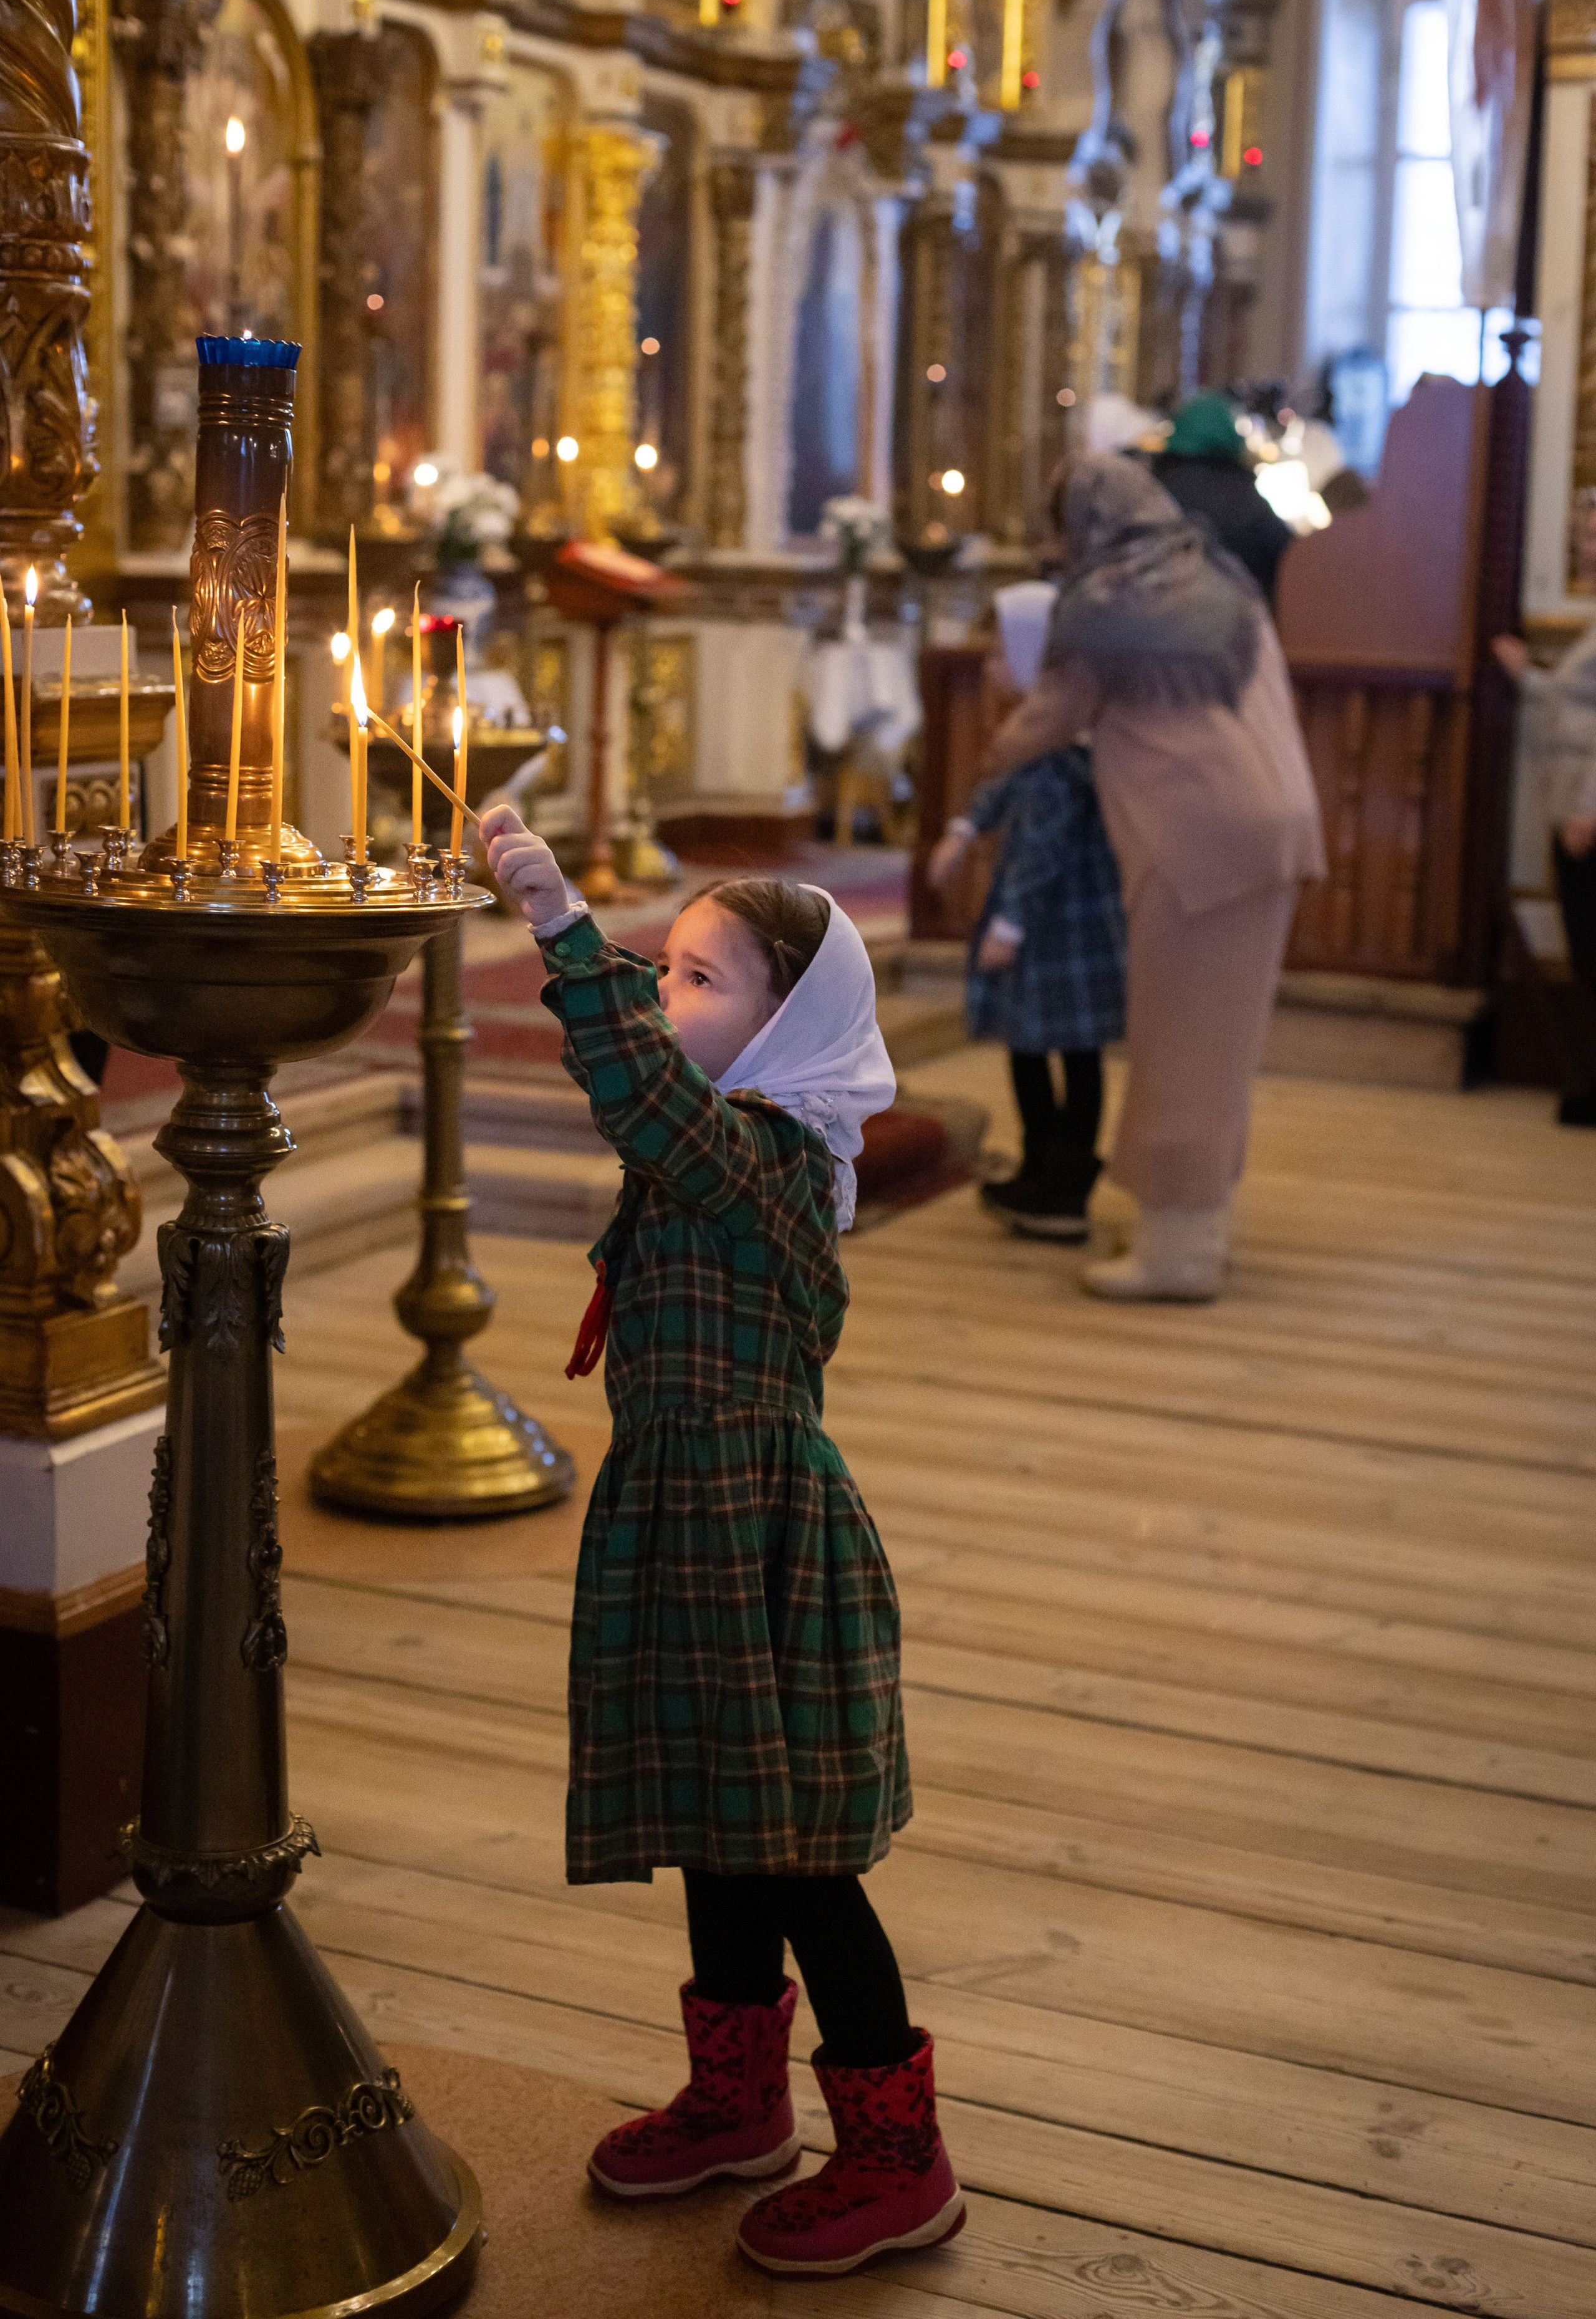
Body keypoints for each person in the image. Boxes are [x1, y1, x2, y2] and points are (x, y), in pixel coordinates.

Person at [480, 805, 967, 2278]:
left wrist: (558, 919)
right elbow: (646, 1037)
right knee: (716, 1814)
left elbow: (636, 1083)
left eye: (699, 979)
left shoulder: (755, 1154)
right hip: (680, 1510)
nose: (661, 992)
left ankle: (898, 2152)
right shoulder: (731, 1131)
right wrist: (626, 964)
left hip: (753, 1525)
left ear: (782, 1026)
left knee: (803, 1853)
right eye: (664, 968)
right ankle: (742, 2103)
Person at [987, 454, 1325, 1302]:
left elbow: (1049, 718)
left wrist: (985, 761)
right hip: (1276, 823)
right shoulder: (1220, 574)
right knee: (1223, 1046)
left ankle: (1177, 1253)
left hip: (1197, 839)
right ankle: (1201, 1225)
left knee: (1178, 1046)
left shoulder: (1108, 599)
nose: (1054, 545)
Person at [926, 738, 1125, 1240]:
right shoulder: (1056, 754)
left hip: (1053, 931)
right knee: (1068, 1052)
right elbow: (1004, 780)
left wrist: (1009, 925)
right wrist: (965, 829)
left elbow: (1041, 853)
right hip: (1076, 930)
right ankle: (1045, 1175)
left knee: (1048, 1051)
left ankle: (1058, 1189)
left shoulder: (1054, 769)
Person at [1494, 552, 1596, 1125]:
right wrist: (1528, 676)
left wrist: (1589, 807)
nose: (1584, 549)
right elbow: (1575, 703)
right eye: (1583, 535)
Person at [1153, 390, 1295, 607]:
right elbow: (1288, 558)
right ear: (1230, 435)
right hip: (1234, 631)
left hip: (1153, 629)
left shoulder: (1151, 489)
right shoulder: (1246, 498)